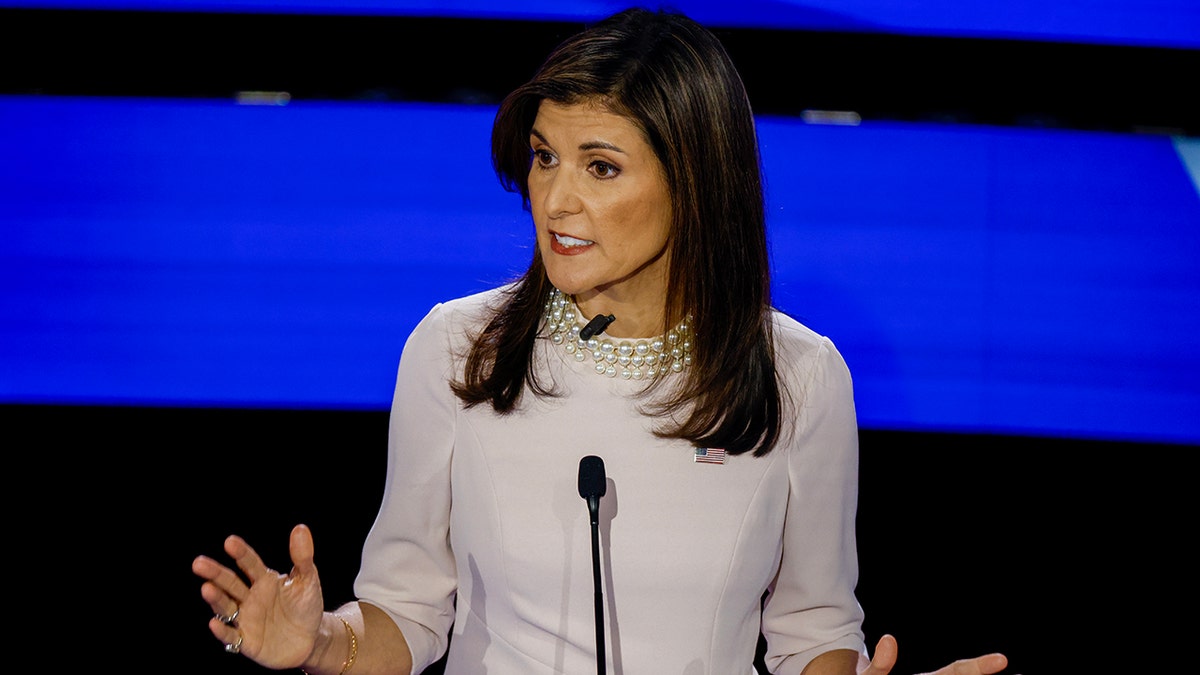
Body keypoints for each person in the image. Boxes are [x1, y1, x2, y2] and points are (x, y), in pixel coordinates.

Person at [193, 7, 1013, 675]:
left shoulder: (799, 376)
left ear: (694, 183)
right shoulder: (457, 349)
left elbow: (814, 631)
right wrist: (319, 645)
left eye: (602, 167)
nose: (555, 199)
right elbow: (406, 612)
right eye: (546, 158)